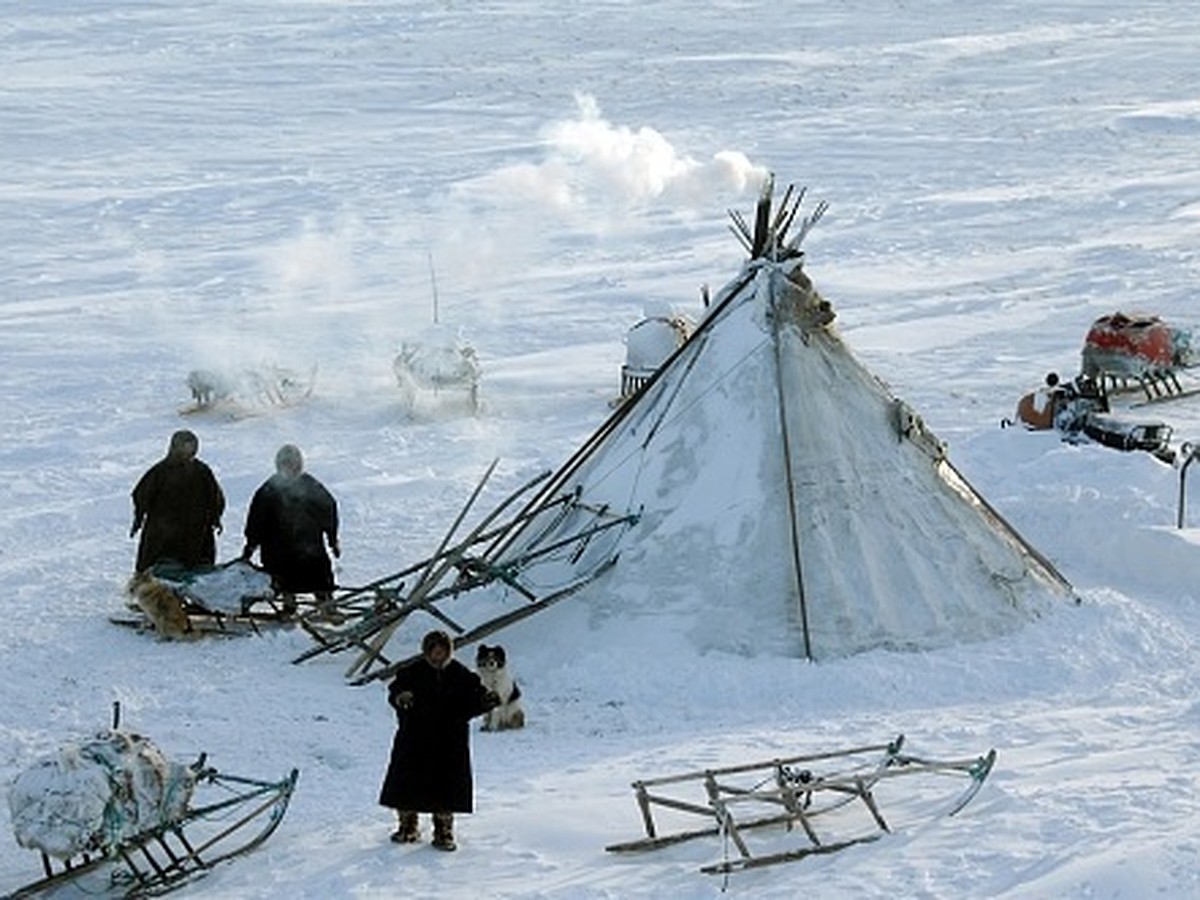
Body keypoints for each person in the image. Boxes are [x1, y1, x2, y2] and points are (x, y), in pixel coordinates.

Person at [378, 630, 499, 851]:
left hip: (449, 741)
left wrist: (486, 701)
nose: (437, 655)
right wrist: (401, 698)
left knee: (446, 786)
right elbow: (396, 690)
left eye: (442, 651)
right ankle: (408, 826)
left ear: (448, 651)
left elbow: (474, 700)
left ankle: (443, 830)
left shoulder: (462, 675)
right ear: (426, 651)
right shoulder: (411, 672)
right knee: (407, 782)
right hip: (414, 738)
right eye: (433, 651)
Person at [241, 444, 340, 613]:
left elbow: (328, 509)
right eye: (285, 464)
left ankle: (325, 601)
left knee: (319, 572)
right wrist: (251, 545)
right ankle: (289, 603)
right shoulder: (269, 489)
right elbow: (256, 519)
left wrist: (332, 539)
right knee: (282, 575)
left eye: (293, 463)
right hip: (278, 546)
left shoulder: (310, 485)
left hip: (309, 544)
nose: (290, 468)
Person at [130, 430, 225, 573]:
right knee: (157, 570)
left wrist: (215, 517)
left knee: (196, 569)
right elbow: (141, 495)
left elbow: (215, 497)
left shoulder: (202, 471)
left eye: (191, 447)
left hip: (195, 531)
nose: (188, 451)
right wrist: (138, 518)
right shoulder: (160, 472)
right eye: (184, 447)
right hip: (163, 532)